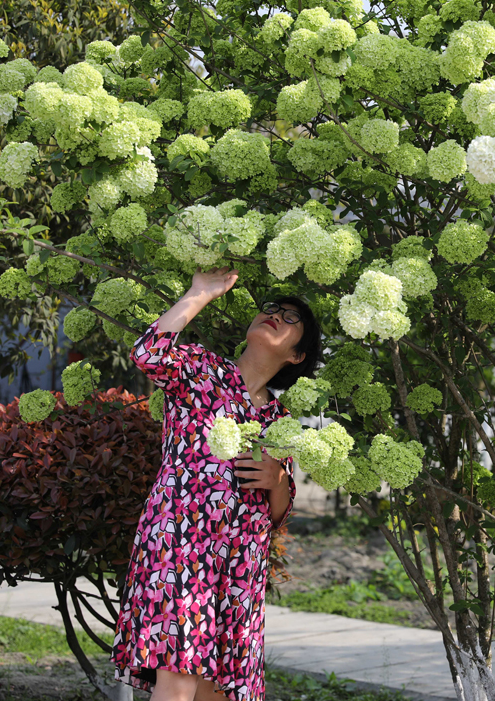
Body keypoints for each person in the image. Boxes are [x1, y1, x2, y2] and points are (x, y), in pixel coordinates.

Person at [111, 266, 322, 701]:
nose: (276, 316)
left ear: (296, 356)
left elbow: (278, 512)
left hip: (239, 566)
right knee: (179, 675)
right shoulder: (202, 370)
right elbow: (149, 353)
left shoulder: (280, 422)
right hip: (179, 544)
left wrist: (278, 479)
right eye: (272, 309)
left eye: (291, 319)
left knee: (216, 692)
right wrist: (200, 292)